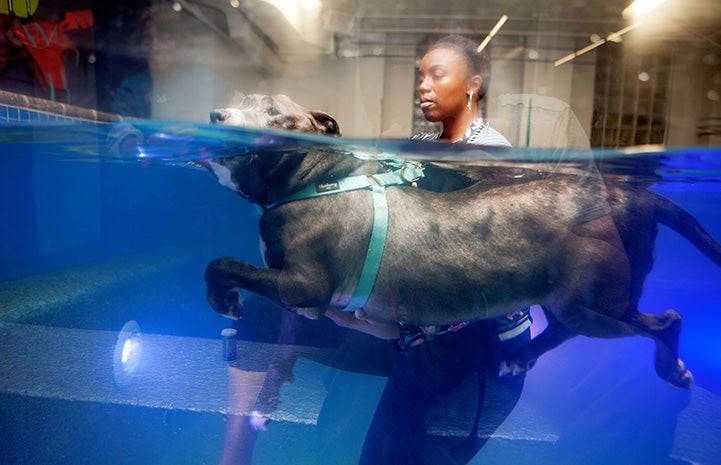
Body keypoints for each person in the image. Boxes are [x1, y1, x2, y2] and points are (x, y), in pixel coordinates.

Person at [355, 35, 533, 465]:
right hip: (427, 345)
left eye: (437, 74)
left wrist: (396, 325)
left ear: (472, 84)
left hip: (483, 357)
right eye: (421, 76)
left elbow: (490, 271)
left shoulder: (491, 156)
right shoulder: (422, 148)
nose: (423, 85)